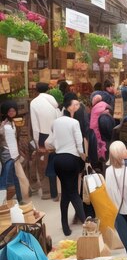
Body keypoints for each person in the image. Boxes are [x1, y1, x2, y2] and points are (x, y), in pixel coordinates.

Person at [45, 98, 86, 236]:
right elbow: (79, 142)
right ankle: (87, 224)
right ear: (69, 107)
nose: (77, 107)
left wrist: (55, 146)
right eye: (75, 104)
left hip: (58, 160)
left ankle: (64, 224)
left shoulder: (55, 123)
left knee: (66, 192)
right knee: (73, 192)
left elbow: (49, 141)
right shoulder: (75, 122)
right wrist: (83, 156)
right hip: (71, 159)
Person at [30, 82, 61, 200]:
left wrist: (39, 143)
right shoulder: (53, 101)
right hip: (56, 137)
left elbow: (35, 124)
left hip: (43, 139)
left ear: (36, 90)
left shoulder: (34, 103)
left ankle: (47, 192)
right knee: (55, 164)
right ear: (48, 89)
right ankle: (57, 192)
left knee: (42, 166)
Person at [0, 101, 29, 203]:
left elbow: (14, 138)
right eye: (9, 110)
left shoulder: (13, 122)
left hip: (15, 155)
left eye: (13, 110)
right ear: (5, 111)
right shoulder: (2, 123)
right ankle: (2, 202)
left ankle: (21, 199)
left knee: (19, 178)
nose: (12, 112)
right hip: (7, 155)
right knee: (5, 179)